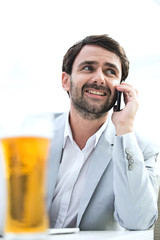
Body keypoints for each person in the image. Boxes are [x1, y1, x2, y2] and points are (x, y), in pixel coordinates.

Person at [46, 34, 159, 230]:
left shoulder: (141, 149)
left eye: (110, 72)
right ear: (66, 81)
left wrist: (124, 129)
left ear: (121, 88)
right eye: (88, 68)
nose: (99, 79)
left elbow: (138, 221)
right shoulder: (32, 135)